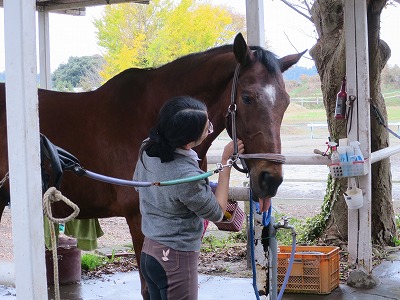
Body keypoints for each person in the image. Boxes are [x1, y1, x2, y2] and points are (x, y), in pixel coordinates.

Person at [133, 95, 244, 300]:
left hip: (149, 253)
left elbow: (142, 187)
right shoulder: (186, 175)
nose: (210, 128)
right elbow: (218, 212)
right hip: (175, 259)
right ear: (187, 143)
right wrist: (225, 162)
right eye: (207, 128)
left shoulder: (147, 147)